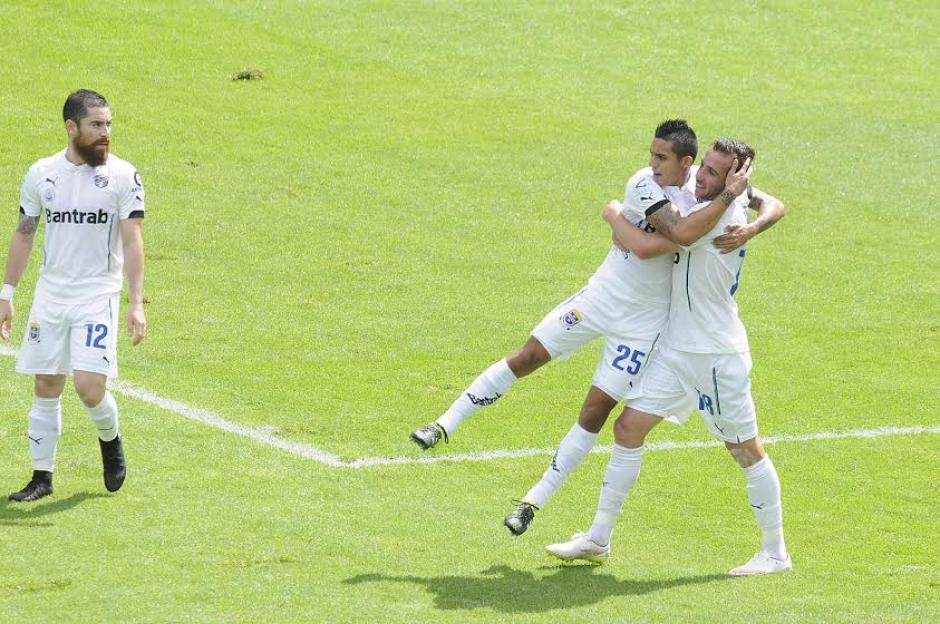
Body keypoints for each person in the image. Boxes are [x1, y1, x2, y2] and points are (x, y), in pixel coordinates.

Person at [408, 120, 751, 530]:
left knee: (595, 411)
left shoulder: (703, 190)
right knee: (528, 356)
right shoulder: (644, 184)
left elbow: (765, 204)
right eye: (652, 154)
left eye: (662, 157)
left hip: (643, 328)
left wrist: (752, 223)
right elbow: (664, 240)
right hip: (600, 299)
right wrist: (624, 220)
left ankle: (532, 502)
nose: (653, 163)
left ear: (686, 162)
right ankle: (443, 424)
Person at [544, 139, 791, 576]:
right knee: (627, 427)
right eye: (704, 166)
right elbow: (774, 203)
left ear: (733, 180)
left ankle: (775, 553)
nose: (700, 177)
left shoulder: (718, 219)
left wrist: (614, 216)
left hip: (714, 356)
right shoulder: (719, 201)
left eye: (713, 172)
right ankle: (598, 539)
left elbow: (679, 233)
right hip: (678, 350)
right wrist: (758, 220)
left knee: (745, 450)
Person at [0, 89, 147, 502]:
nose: (106, 132)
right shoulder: (42, 174)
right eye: (96, 125)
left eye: (109, 124)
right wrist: (7, 293)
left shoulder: (123, 176)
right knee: (47, 382)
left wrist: (136, 302)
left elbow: (133, 241)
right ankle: (41, 477)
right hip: (51, 295)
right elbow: (24, 234)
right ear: (71, 127)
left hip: (97, 296)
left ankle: (110, 440)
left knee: (88, 386)